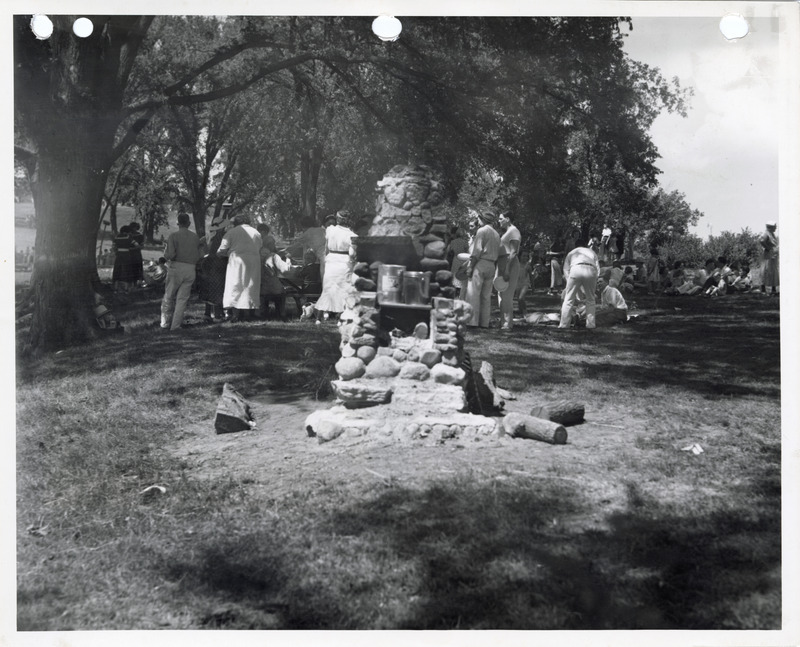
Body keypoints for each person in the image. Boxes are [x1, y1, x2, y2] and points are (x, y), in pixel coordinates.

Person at [160, 212, 203, 331]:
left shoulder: (173, 236)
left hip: (176, 266)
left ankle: (164, 323)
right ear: (189, 223)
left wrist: (165, 252)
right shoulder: (195, 237)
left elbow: (170, 254)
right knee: (182, 299)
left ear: (178, 223)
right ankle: (175, 325)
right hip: (190, 268)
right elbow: (200, 255)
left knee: (169, 296)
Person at [315, 210, 358, 323]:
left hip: (331, 261)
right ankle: (341, 318)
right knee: (343, 290)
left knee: (328, 289)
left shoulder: (330, 230)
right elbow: (352, 254)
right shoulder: (352, 235)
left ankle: (319, 318)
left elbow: (326, 248)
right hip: (344, 263)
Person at [218, 213, 263, 322]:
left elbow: (221, 250)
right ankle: (247, 314)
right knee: (249, 286)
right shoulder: (256, 232)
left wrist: (227, 253)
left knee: (235, 285)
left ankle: (235, 314)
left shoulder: (232, 232)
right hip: (253, 262)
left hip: (237, 261)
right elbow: (260, 247)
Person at [465, 210, 502, 328]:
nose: (478, 221)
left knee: (473, 293)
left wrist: (470, 267)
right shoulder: (496, 234)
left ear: (484, 220)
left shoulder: (482, 231)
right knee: (486, 296)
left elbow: (477, 251)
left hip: (481, 263)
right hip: (492, 264)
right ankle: (484, 323)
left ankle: (472, 322)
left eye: (479, 219)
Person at [198, 209, 231, 322]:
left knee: (209, 289)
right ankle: (218, 314)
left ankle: (208, 313)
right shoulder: (221, 238)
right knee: (218, 289)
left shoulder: (208, 237)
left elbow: (201, 248)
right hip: (218, 264)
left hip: (207, 264)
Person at [558, 240, 600, 329]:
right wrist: (594, 280)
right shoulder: (591, 252)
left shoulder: (571, 253)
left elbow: (565, 269)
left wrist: (569, 281)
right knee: (591, 300)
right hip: (590, 269)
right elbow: (597, 268)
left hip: (575, 269)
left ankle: (564, 325)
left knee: (568, 299)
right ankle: (590, 325)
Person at [497, 211, 521, 330]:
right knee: (501, 293)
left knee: (507, 294)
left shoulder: (514, 231)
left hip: (509, 264)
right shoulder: (507, 232)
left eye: (501, 219)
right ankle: (503, 321)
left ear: (507, 219)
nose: (499, 221)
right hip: (502, 263)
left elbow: (513, 252)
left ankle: (507, 323)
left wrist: (507, 270)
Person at [446, 224, 470, 296]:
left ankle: (455, 290)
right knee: (461, 274)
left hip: (455, 259)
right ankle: (460, 291)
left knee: (454, 274)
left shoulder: (453, 242)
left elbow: (448, 251)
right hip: (463, 259)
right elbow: (468, 251)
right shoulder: (465, 242)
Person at [112, 225, 137, 292]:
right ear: (127, 231)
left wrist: (116, 252)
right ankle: (126, 289)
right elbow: (136, 245)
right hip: (126, 255)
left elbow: (114, 247)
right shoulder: (128, 237)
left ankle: (115, 289)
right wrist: (130, 248)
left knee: (117, 270)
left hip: (119, 255)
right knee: (127, 270)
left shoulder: (116, 237)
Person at [759, 221, 779, 296]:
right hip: (768, 255)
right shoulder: (766, 233)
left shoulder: (771, 234)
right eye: (775, 226)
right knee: (766, 270)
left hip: (773, 254)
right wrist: (768, 248)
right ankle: (764, 289)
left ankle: (773, 289)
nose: (776, 228)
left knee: (773, 271)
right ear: (770, 226)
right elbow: (761, 241)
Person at [516, 250, 532, 317]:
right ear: (520, 256)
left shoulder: (528, 266)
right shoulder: (516, 264)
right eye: (523, 256)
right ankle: (520, 312)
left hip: (525, 284)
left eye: (526, 256)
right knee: (519, 300)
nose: (525, 257)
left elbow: (531, 277)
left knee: (521, 298)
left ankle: (525, 312)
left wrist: (533, 287)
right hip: (517, 283)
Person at [128, 222, 145, 287]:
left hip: (137, 254)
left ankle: (136, 283)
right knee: (130, 268)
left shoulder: (140, 236)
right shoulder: (129, 236)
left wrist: (135, 248)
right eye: (132, 227)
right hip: (130, 254)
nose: (133, 229)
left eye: (135, 227)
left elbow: (142, 246)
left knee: (137, 267)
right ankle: (131, 283)